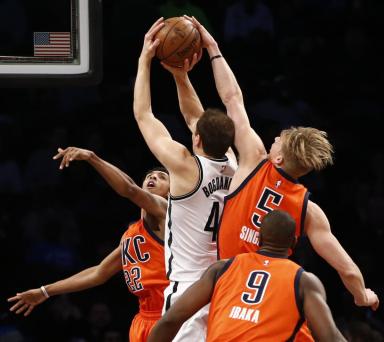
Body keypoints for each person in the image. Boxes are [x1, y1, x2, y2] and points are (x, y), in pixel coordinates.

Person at [189, 16, 379, 312]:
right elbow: (348, 269)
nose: (273, 138)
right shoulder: (309, 209)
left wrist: (213, 48)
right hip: (270, 299)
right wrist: (363, 295)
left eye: (277, 140)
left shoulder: (254, 159)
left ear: (277, 157)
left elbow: (232, 98)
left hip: (226, 289)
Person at [133, 18, 237, 341]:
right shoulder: (234, 164)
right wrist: (180, 76)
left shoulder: (184, 168)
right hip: (224, 290)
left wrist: (144, 60)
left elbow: (144, 115)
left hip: (188, 293)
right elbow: (196, 118)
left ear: (197, 141)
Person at [8, 147, 170, 342]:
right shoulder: (132, 233)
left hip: (171, 312)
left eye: (162, 177)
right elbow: (98, 273)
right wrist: (45, 291)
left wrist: (92, 157)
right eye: (149, 176)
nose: (153, 178)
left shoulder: (166, 210)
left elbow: (128, 188)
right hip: (144, 317)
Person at [148, 210, 347, 342]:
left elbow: (171, 319)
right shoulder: (304, 281)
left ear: (259, 238)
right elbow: (329, 337)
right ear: (293, 243)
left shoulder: (222, 268)